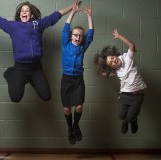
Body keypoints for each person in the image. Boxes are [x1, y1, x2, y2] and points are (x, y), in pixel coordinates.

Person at [0, 0, 81, 103]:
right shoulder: (13, 26)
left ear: (31, 15)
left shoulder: (38, 24)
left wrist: (72, 7)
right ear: (19, 14)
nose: (24, 12)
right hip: (20, 67)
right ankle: (10, 73)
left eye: (27, 10)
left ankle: (30, 79)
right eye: (22, 11)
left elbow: (54, 16)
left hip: (36, 67)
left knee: (46, 96)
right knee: (15, 98)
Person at [94, 29, 147, 134]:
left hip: (137, 95)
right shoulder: (116, 70)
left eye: (113, 58)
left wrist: (119, 37)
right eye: (111, 63)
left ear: (115, 55)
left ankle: (132, 120)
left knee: (132, 115)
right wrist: (99, 67)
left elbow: (132, 46)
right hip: (125, 95)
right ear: (111, 67)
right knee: (121, 115)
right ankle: (125, 121)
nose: (114, 61)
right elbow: (105, 75)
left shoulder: (127, 57)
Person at [61, 3, 94, 145]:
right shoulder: (65, 44)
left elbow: (91, 33)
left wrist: (89, 16)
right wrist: (73, 12)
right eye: (75, 35)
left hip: (78, 80)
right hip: (66, 79)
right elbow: (65, 28)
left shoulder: (83, 46)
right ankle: (70, 129)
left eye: (80, 36)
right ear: (71, 36)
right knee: (67, 108)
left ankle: (76, 126)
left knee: (79, 106)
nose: (77, 37)